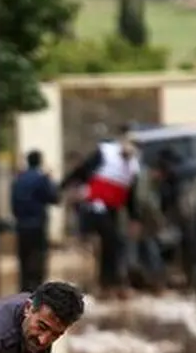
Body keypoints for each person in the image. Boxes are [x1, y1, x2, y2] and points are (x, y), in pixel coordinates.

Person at [61, 125, 141, 300]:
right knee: (103, 242)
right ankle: (97, 283)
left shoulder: (133, 168)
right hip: (93, 206)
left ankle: (108, 283)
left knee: (113, 245)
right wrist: (64, 186)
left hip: (112, 210)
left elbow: (130, 196)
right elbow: (81, 171)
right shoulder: (105, 153)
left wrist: (134, 218)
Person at [10, 150, 60, 292]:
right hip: (38, 225)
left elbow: (13, 204)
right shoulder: (42, 178)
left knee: (23, 259)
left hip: (21, 225)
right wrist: (50, 179)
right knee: (38, 258)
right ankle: (37, 290)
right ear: (40, 161)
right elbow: (54, 198)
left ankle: (23, 290)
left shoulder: (18, 179)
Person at [125, 148, 174, 293]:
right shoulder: (143, 178)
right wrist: (156, 220)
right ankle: (148, 283)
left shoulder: (147, 179)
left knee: (147, 252)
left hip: (142, 223)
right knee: (138, 253)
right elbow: (143, 201)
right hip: (135, 222)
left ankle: (150, 282)